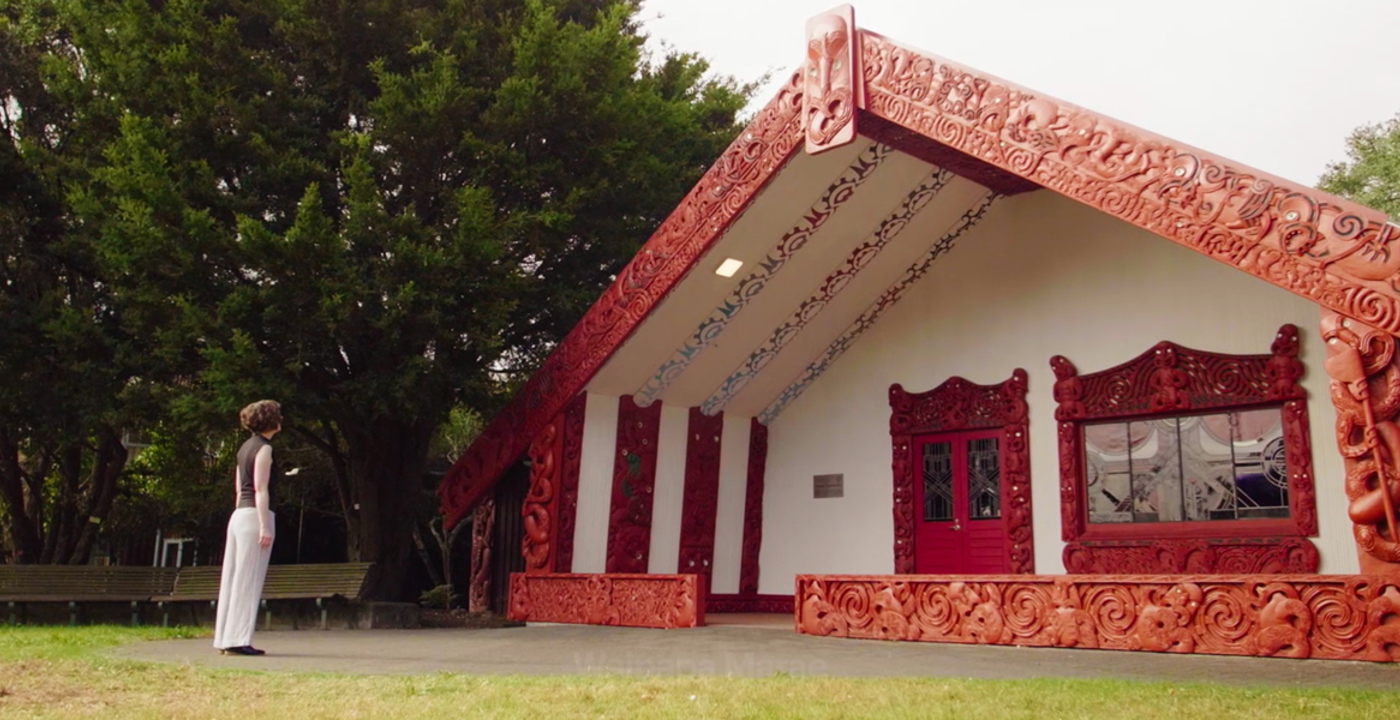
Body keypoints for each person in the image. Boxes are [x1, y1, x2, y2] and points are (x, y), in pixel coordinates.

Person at [213, 400, 281, 656]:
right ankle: (238, 638)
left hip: (239, 514)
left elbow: (238, 488)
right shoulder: (264, 449)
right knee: (249, 578)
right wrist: (265, 525)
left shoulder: (244, 449)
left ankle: (224, 637)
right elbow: (260, 488)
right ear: (270, 421)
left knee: (232, 577)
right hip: (255, 515)